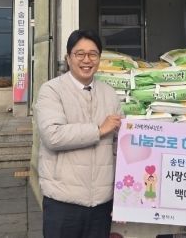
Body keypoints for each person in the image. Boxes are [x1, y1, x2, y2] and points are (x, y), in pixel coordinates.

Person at [35, 29, 122, 238]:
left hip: (101, 203)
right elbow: (53, 135)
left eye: (93, 54)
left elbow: (119, 146)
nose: (86, 60)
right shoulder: (51, 90)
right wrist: (98, 130)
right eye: (79, 54)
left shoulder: (109, 94)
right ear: (68, 58)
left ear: (99, 59)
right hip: (63, 201)